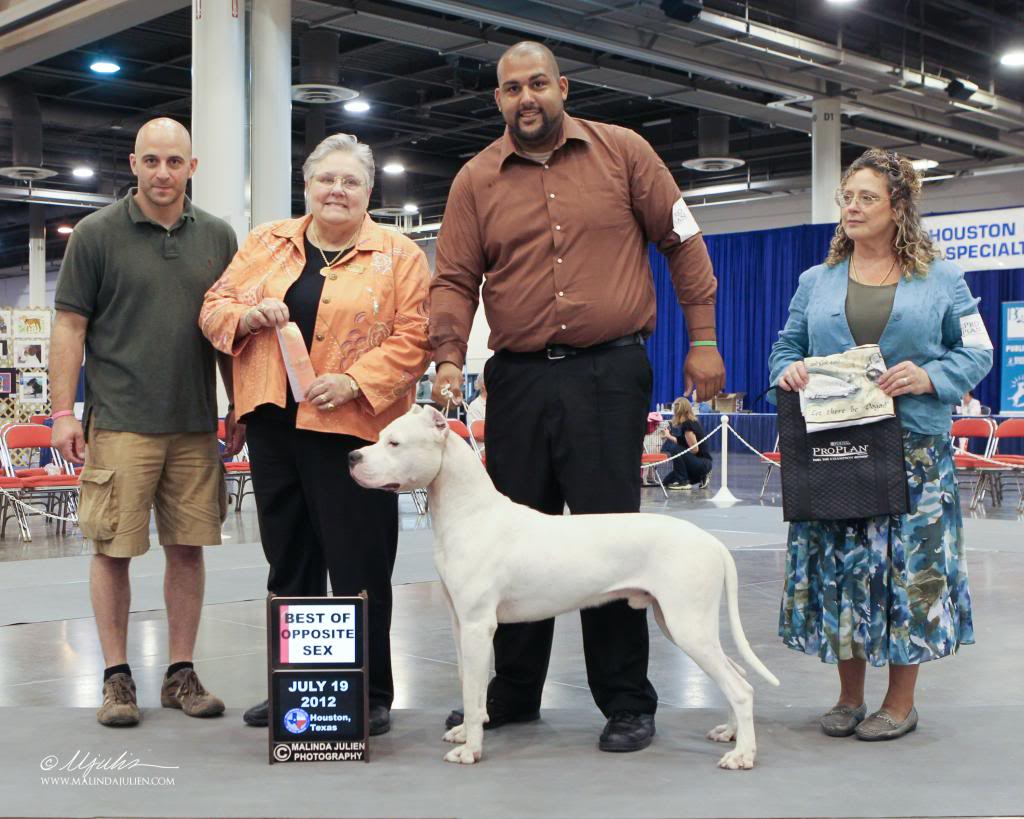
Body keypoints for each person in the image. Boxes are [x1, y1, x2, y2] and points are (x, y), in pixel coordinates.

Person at [430, 41, 725, 753]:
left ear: (562, 86)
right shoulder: (475, 179)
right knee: (513, 545)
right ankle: (511, 694)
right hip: (519, 379)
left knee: (608, 539)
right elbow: (452, 279)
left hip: (609, 375)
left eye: (538, 83)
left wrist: (706, 337)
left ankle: (626, 702)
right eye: (510, 89)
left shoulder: (624, 152)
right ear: (498, 99)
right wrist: (445, 359)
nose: (525, 97)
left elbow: (683, 241)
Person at [199, 133, 430, 736]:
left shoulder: (398, 253)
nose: (337, 190)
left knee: (360, 563)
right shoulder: (266, 243)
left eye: (350, 181)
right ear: (307, 186)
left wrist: (354, 381)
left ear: (368, 191)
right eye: (326, 179)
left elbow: (415, 338)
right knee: (290, 562)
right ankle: (295, 690)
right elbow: (214, 306)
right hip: (275, 423)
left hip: (353, 433)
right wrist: (246, 317)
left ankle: (371, 692)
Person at [769, 148, 992, 741]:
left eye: (867, 197)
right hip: (835, 449)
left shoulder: (943, 278)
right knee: (842, 571)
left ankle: (900, 701)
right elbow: (784, 349)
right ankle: (847, 697)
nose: (852, 207)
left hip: (915, 453)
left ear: (897, 208)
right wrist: (787, 373)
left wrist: (928, 377)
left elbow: (977, 352)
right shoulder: (814, 281)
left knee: (907, 574)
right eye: (847, 196)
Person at [49, 117, 241, 727]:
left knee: (188, 549)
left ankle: (180, 674)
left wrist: (239, 404)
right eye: (152, 161)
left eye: (175, 162)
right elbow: (70, 327)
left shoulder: (217, 236)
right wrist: (60, 413)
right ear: (133, 163)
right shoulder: (96, 234)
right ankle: (115, 679)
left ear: (192, 166)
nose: (163, 173)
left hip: (192, 424)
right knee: (114, 550)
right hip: (120, 423)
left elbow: (228, 332)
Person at [660, 397, 712, 490]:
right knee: (666, 481)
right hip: (700, 463)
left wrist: (682, 456)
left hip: (702, 463)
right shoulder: (692, 422)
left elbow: (694, 449)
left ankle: (683, 482)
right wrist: (669, 436)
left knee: (676, 449)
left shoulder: (687, 425)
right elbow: (683, 442)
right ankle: (700, 477)